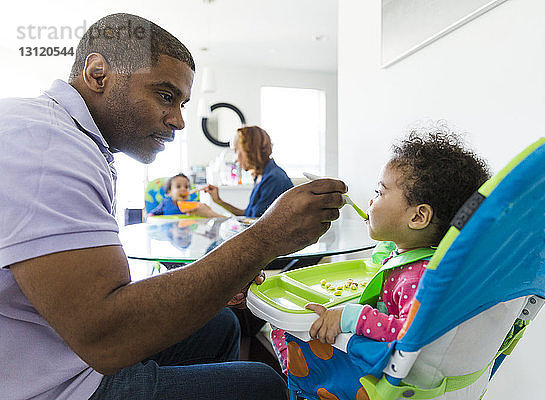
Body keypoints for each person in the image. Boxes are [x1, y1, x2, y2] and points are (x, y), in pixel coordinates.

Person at [0, 13, 347, 400]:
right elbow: (105, 338)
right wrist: (265, 237)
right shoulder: (47, 148)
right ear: (99, 73)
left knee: (221, 325)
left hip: (60, 346)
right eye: (165, 96)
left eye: (182, 103)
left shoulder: (67, 138)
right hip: (54, 383)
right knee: (263, 385)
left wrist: (222, 274)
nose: (179, 121)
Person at [270, 126, 491, 372]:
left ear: (418, 217)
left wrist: (350, 317)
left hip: (368, 376)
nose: (371, 201)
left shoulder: (417, 279)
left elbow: (408, 336)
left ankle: (295, 377)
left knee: (284, 330)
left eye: (380, 192)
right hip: (378, 358)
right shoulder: (416, 259)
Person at [203, 126, 294, 218]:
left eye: (236, 151)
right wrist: (219, 201)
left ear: (249, 150)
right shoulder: (261, 175)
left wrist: (212, 215)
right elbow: (248, 215)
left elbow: (258, 225)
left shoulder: (274, 179)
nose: (235, 160)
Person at [148, 172, 221, 217]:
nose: (183, 189)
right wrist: (150, 216)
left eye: (186, 187)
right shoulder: (165, 203)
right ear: (169, 191)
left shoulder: (190, 205)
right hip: (170, 231)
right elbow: (153, 214)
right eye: (178, 186)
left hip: (185, 230)